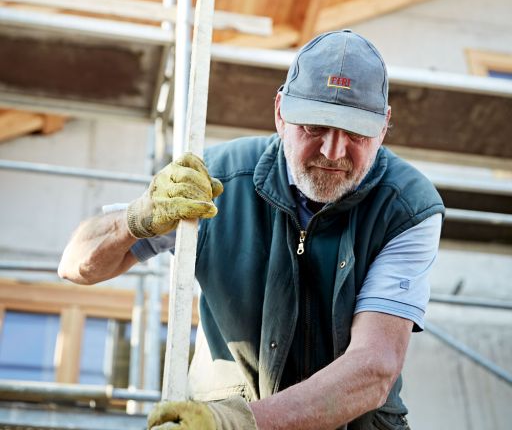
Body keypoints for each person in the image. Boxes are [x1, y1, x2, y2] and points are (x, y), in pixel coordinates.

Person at [59, 30, 444, 430]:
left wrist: (234, 425)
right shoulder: (213, 184)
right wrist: (136, 219)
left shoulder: (408, 207)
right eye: (315, 127)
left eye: (355, 133)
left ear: (383, 127)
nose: (333, 151)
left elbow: (374, 368)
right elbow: (75, 265)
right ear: (281, 112)